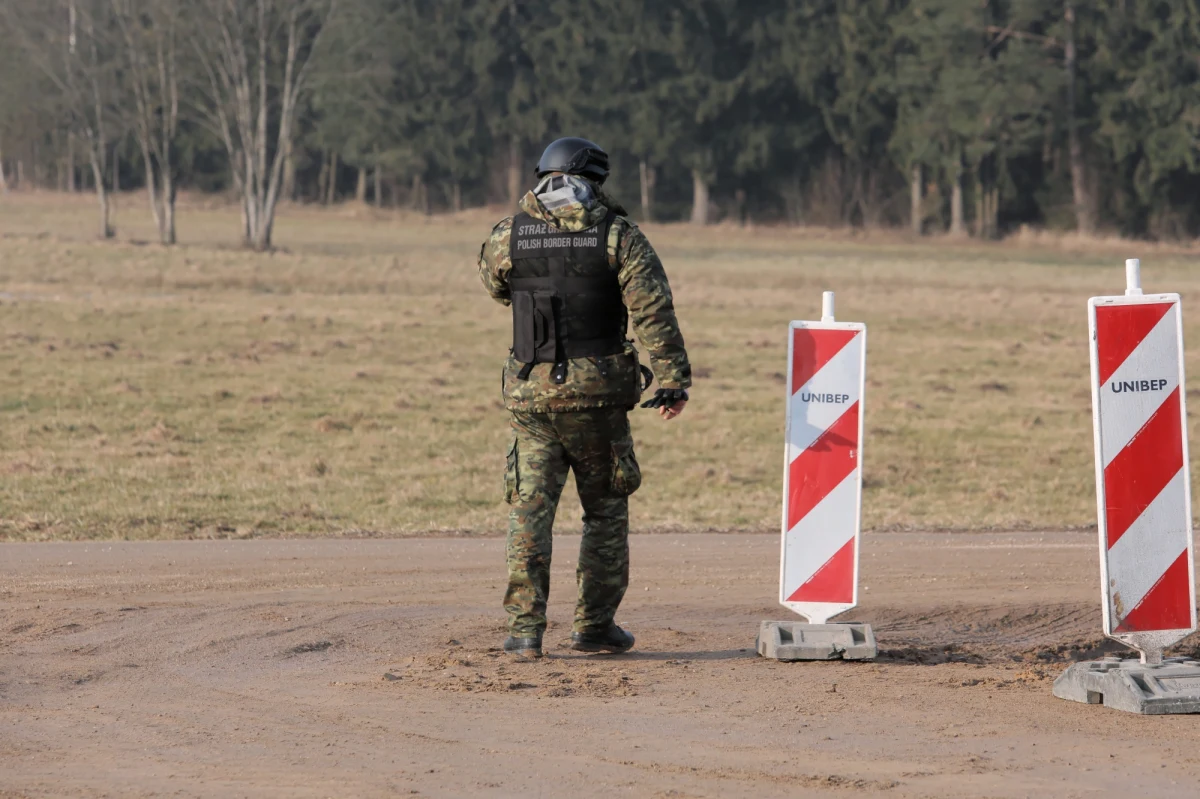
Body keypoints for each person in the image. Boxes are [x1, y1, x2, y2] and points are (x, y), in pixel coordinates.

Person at [477, 137, 692, 659]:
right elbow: (652, 311)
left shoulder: (509, 235)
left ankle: (526, 631)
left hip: (531, 401)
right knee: (604, 512)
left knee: (530, 511)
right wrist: (671, 378)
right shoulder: (619, 236)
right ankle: (594, 627)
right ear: (595, 181)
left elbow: (496, 287)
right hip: (598, 402)